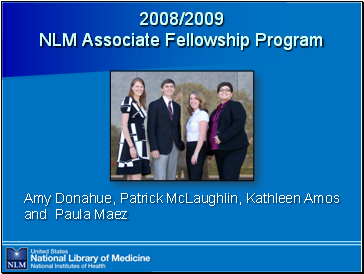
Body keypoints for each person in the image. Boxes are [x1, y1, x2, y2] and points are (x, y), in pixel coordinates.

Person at [207, 82, 249, 180]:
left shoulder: (235, 105)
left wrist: (222, 137)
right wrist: (209, 150)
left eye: (227, 90)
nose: (224, 92)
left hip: (234, 150)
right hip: (219, 151)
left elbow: (239, 124)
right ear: (218, 94)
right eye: (221, 90)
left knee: (229, 178)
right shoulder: (216, 111)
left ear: (231, 94)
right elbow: (212, 130)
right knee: (223, 179)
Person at [147, 79, 185, 180]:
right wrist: (153, 148)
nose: (169, 88)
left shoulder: (177, 107)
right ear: (162, 89)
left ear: (174, 89)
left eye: (171, 86)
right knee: (160, 177)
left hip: (174, 147)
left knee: (171, 177)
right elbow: (151, 128)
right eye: (166, 86)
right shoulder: (154, 105)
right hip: (160, 148)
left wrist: (179, 141)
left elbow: (177, 127)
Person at [116, 77, 151, 180]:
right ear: (132, 88)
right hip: (131, 142)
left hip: (140, 142)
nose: (139, 89)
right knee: (137, 176)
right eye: (137, 86)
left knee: (131, 176)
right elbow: (123, 125)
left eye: (141, 87)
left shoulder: (141, 103)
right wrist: (131, 146)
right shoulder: (128, 100)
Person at [185, 91, 209, 180]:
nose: (192, 101)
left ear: (200, 101)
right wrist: (187, 153)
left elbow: (202, 135)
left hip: (198, 147)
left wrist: (195, 153)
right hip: (190, 147)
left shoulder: (202, 114)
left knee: (195, 177)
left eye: (195, 98)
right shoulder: (192, 116)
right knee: (191, 177)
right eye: (191, 98)